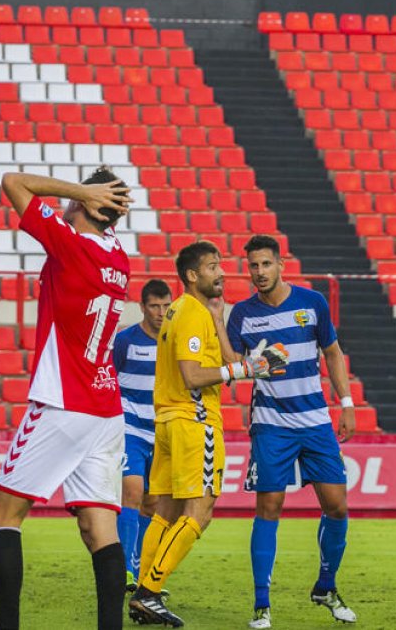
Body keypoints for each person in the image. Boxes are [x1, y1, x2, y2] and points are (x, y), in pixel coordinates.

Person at [0, 167, 132, 630]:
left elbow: (12, 182)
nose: (66, 204)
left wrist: (81, 191)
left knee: (3, 515)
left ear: (89, 204)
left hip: (63, 402)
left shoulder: (71, 247)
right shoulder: (120, 259)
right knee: (98, 529)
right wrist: (92, 199)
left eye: (78, 198)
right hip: (107, 409)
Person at [128, 241, 289, 627]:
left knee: (164, 512)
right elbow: (194, 375)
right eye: (213, 267)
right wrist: (247, 371)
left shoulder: (188, 311)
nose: (222, 273)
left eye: (221, 266)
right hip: (194, 422)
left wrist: (223, 325)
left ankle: (142, 594)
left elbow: (226, 361)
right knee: (200, 512)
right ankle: (150, 592)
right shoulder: (190, 314)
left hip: (169, 421)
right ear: (192, 275)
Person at [226, 235, 358, 628]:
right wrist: (246, 359)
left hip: (316, 420)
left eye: (266, 264)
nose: (260, 272)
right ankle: (262, 606)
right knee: (269, 508)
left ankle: (326, 587)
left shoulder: (313, 303)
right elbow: (232, 365)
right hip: (271, 423)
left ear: (281, 264)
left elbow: (332, 353)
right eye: (253, 266)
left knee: (337, 506)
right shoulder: (242, 315)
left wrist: (346, 403)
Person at [113, 278, 173, 591]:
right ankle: (124, 570)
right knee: (132, 492)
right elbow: (109, 381)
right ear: (143, 307)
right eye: (154, 306)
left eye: (166, 306)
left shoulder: (175, 342)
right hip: (130, 428)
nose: (161, 312)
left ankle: (142, 569)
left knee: (151, 503)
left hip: (162, 432)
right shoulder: (125, 341)